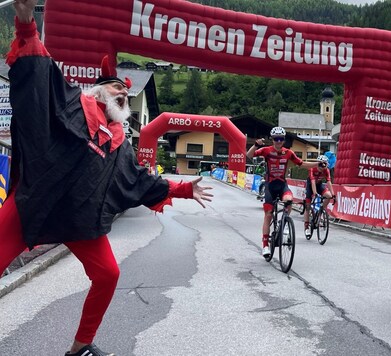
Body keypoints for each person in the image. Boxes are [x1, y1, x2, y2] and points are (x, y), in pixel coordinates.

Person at [0, 1, 214, 355]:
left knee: (108, 275)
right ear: (98, 90)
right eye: (117, 89)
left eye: (127, 95)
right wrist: (26, 26)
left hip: (77, 222)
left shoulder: (119, 145)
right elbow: (41, 74)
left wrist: (186, 188)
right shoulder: (70, 102)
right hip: (31, 205)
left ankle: (80, 347)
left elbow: (141, 182)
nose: (124, 95)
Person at [246, 126, 320, 258]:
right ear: (272, 140)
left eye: (281, 139)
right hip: (270, 186)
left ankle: (285, 224)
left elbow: (301, 164)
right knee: (268, 214)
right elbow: (249, 155)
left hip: (282, 185)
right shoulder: (267, 151)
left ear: (284, 140)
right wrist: (255, 145)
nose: (278, 141)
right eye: (276, 139)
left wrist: (317, 164)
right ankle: (265, 245)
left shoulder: (288, 153)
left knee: (289, 200)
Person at [303, 155, 336, 237]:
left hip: (319, 185)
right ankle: (306, 227)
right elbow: (313, 181)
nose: (323, 168)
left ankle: (321, 211)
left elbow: (329, 182)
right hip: (310, 185)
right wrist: (315, 194)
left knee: (328, 195)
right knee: (307, 206)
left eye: (325, 165)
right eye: (321, 165)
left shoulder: (326, 170)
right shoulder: (312, 168)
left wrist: (333, 194)